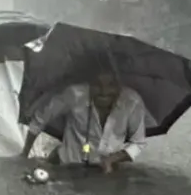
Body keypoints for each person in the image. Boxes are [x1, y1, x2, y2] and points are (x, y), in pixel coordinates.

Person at [19, 66, 147, 174]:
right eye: (98, 85)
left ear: (119, 85)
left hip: (107, 171)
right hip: (68, 165)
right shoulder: (74, 95)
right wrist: (25, 155)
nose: (104, 92)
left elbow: (138, 143)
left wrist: (111, 160)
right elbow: (40, 118)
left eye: (111, 85)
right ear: (89, 84)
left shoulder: (132, 102)